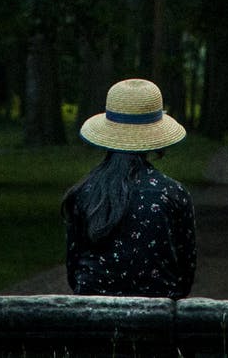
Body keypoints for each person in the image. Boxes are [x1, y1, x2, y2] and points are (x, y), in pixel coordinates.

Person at [63, 77, 197, 298]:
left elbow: (74, 270)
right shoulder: (173, 194)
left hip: (90, 316)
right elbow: (185, 274)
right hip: (157, 317)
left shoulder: (83, 193)